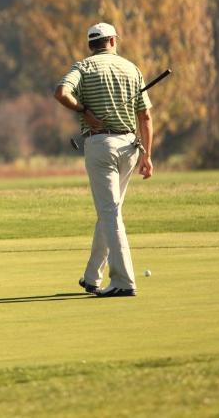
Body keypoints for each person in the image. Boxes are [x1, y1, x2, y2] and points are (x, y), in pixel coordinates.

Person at [54, 22, 154, 298]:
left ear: (90, 45)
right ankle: (92, 276)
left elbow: (61, 93)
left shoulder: (82, 68)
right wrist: (148, 155)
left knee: (109, 213)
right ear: (112, 41)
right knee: (110, 211)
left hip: (101, 147)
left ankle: (123, 281)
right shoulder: (131, 68)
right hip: (130, 147)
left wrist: (84, 110)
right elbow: (145, 117)